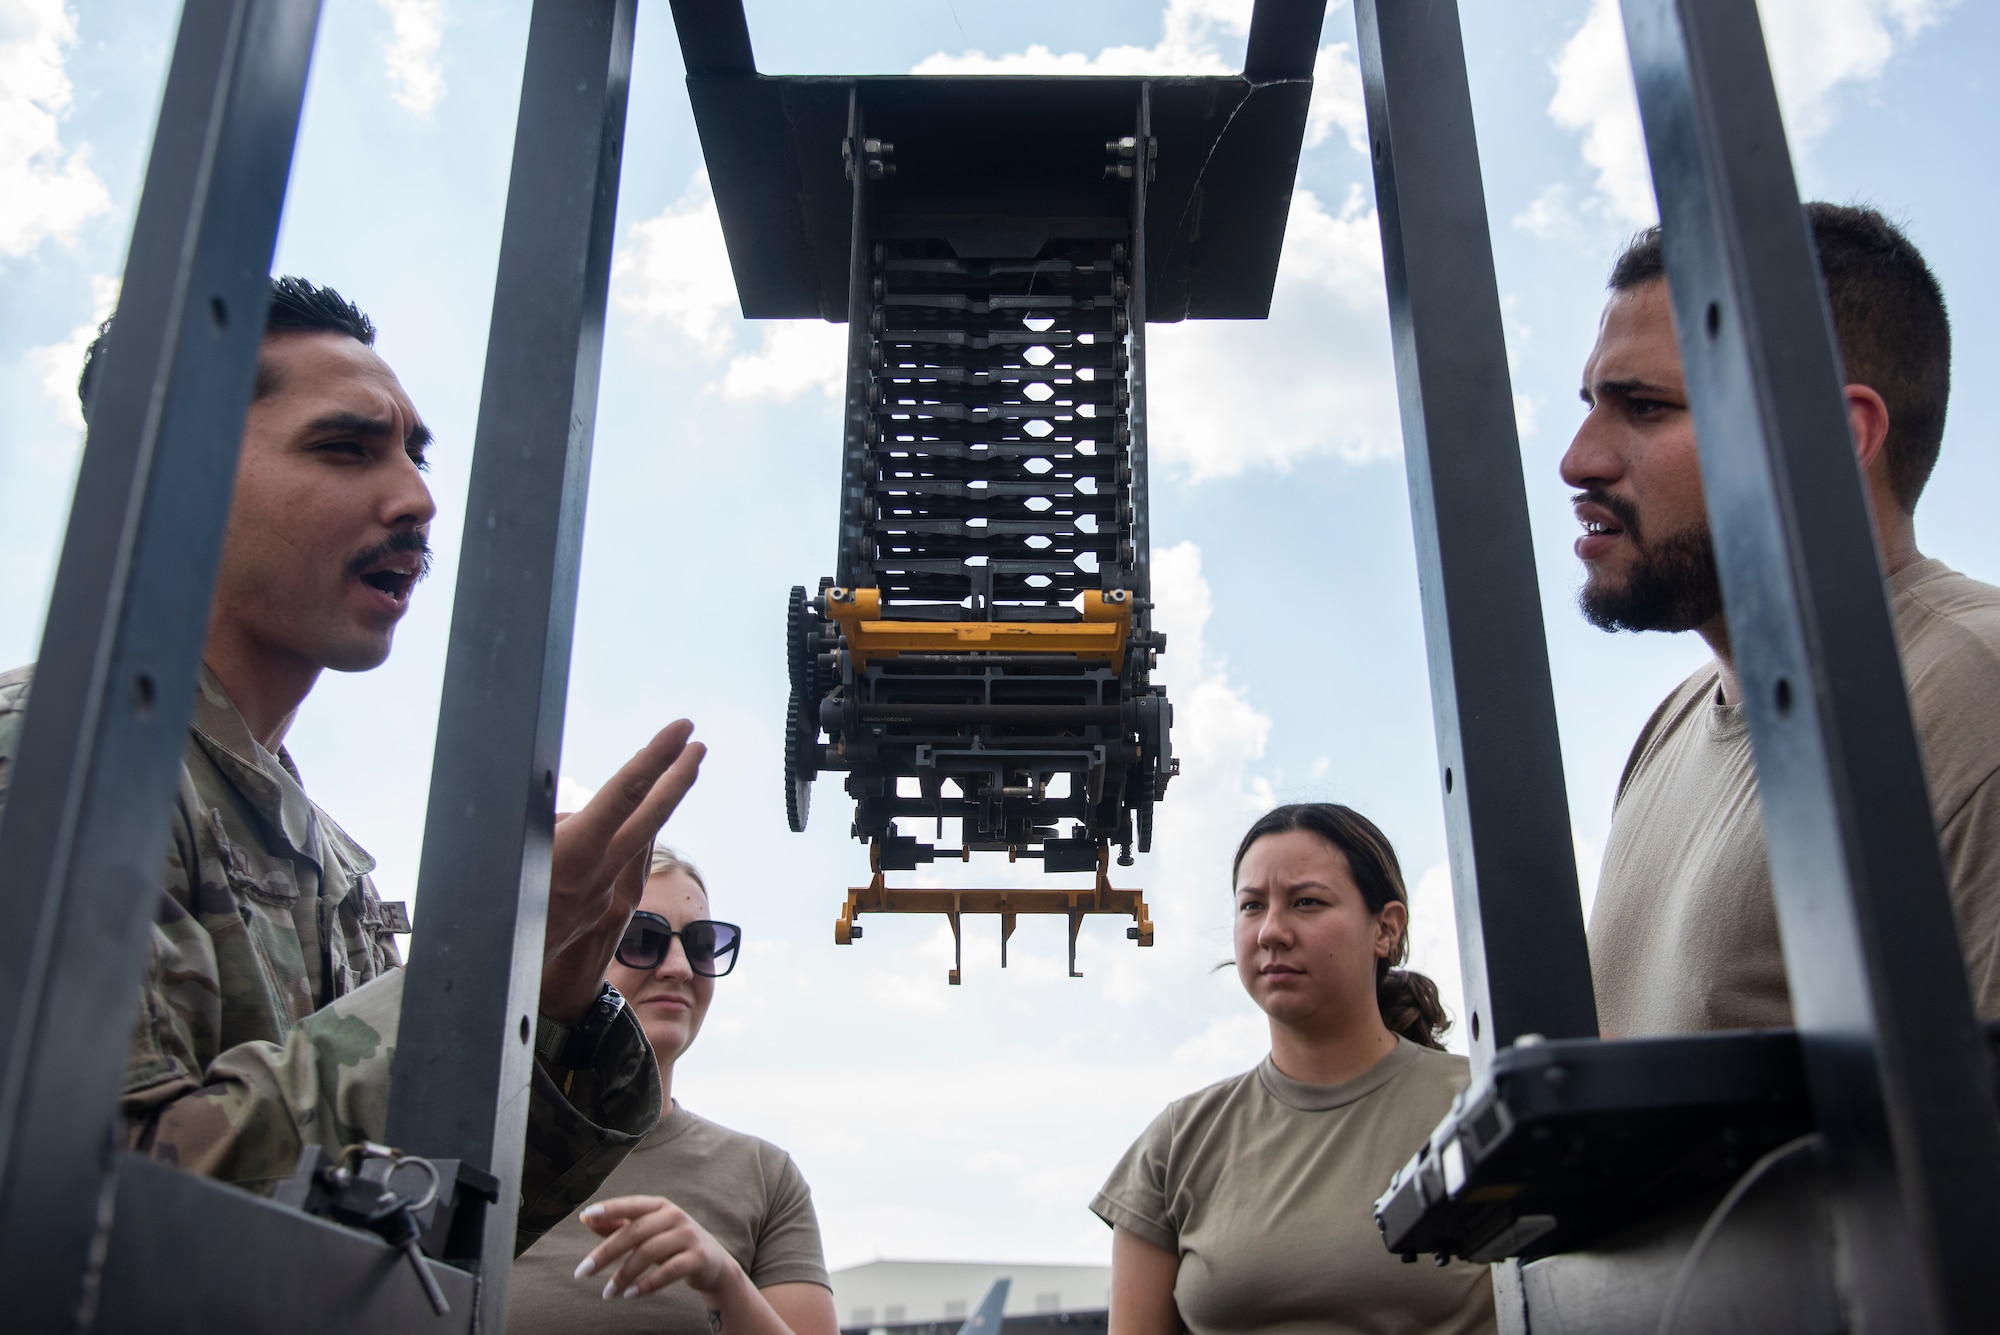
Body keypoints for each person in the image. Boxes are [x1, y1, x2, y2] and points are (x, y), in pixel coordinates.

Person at [0, 277, 704, 1246]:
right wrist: (477, 984)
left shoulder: (319, 851)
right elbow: (83, 1215)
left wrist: (549, 1009)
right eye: (344, 448)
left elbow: (422, 1232)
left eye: (415, 456)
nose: (415, 499)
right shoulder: (52, 762)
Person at [1564, 204, 2000, 1035]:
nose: (1580, 458)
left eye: (1645, 407)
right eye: (1590, 403)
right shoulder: (1673, 726)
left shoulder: (1975, 699)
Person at [1093, 803, 1496, 1335]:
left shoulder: (1483, 1105)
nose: (1271, 932)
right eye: (1252, 906)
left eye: (1306, 902)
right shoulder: (1177, 1144)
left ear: (1386, 928)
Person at [509, 846, 837, 1335]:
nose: (680, 967)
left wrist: (724, 1280)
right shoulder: (478, 1145)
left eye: (703, 945)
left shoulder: (764, 1178)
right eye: (641, 938)